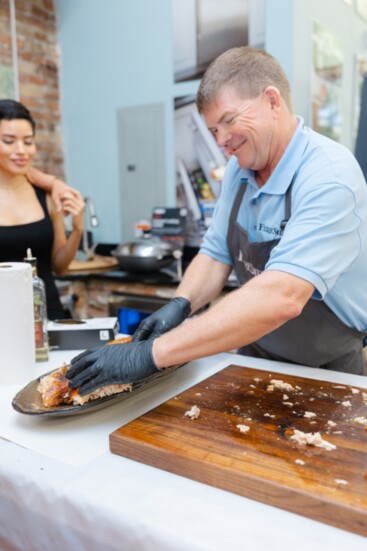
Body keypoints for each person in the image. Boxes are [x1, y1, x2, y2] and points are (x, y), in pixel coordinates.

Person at [66, 46, 367, 395]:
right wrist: (180, 303)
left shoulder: (328, 175)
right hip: (256, 348)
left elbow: (282, 297)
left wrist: (152, 354)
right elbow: (215, 254)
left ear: (272, 101)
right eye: (213, 131)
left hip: (327, 365)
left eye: (229, 121)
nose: (222, 141)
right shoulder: (240, 170)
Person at [0, 99, 85, 319]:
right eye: (8, 141)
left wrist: (77, 229)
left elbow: (59, 267)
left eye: (28, 142)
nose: (21, 151)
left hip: (49, 316)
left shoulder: (46, 195)